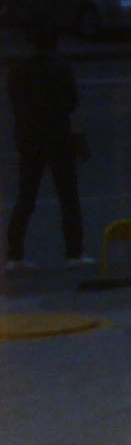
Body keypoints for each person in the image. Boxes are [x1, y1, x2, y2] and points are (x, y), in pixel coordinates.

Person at [6, 26, 89, 268]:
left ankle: (14, 254)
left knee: (26, 197)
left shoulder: (18, 71)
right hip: (58, 137)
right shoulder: (61, 69)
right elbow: (71, 103)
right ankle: (74, 252)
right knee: (68, 197)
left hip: (29, 139)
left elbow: (15, 103)